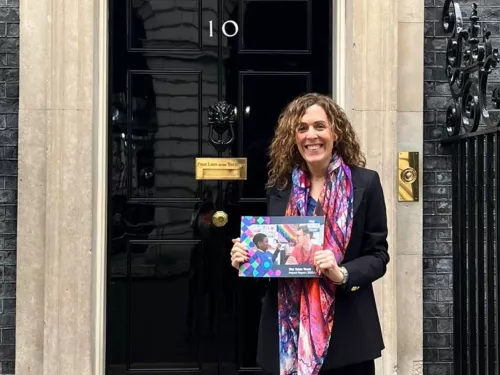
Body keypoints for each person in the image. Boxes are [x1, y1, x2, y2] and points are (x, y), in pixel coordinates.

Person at [229, 93, 389, 375]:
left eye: (319, 126)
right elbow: (274, 253)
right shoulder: (279, 188)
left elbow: (378, 254)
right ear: (293, 137)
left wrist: (343, 273)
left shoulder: (366, 183)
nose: (310, 135)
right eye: (302, 128)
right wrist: (247, 257)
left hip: (347, 332)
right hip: (286, 335)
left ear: (335, 132)